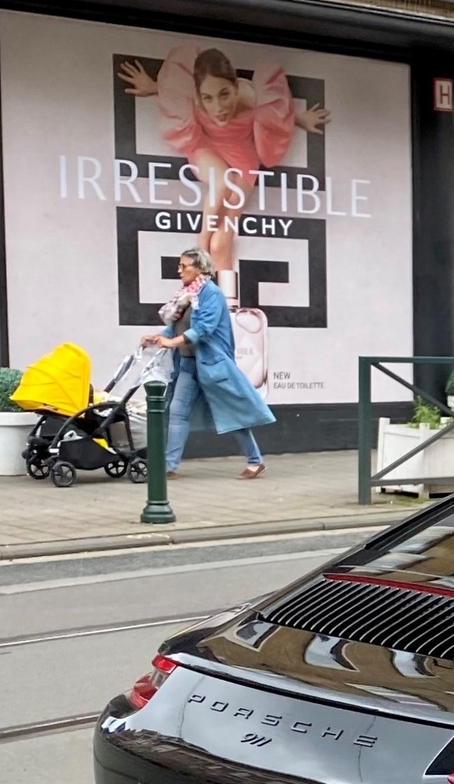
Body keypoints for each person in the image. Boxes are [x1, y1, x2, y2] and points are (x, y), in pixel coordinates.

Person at [118, 44, 329, 281]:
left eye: (224, 94)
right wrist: (153, 87)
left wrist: (302, 118)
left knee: (223, 238)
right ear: (198, 95)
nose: (218, 107)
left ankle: (226, 304)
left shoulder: (251, 96)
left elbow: (278, 110)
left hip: (243, 159)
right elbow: (173, 90)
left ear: (236, 87)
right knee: (221, 182)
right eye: (207, 98)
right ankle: (200, 248)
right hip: (206, 150)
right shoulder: (195, 98)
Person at [143, 249, 275, 478]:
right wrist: (156, 338)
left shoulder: (211, 293)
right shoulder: (186, 295)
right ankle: (168, 466)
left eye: (184, 266)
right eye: (179, 266)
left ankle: (255, 460)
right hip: (188, 364)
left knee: (232, 411)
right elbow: (178, 327)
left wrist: (171, 342)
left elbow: (204, 329)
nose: (179, 270)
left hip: (212, 366)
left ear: (200, 268)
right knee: (177, 413)